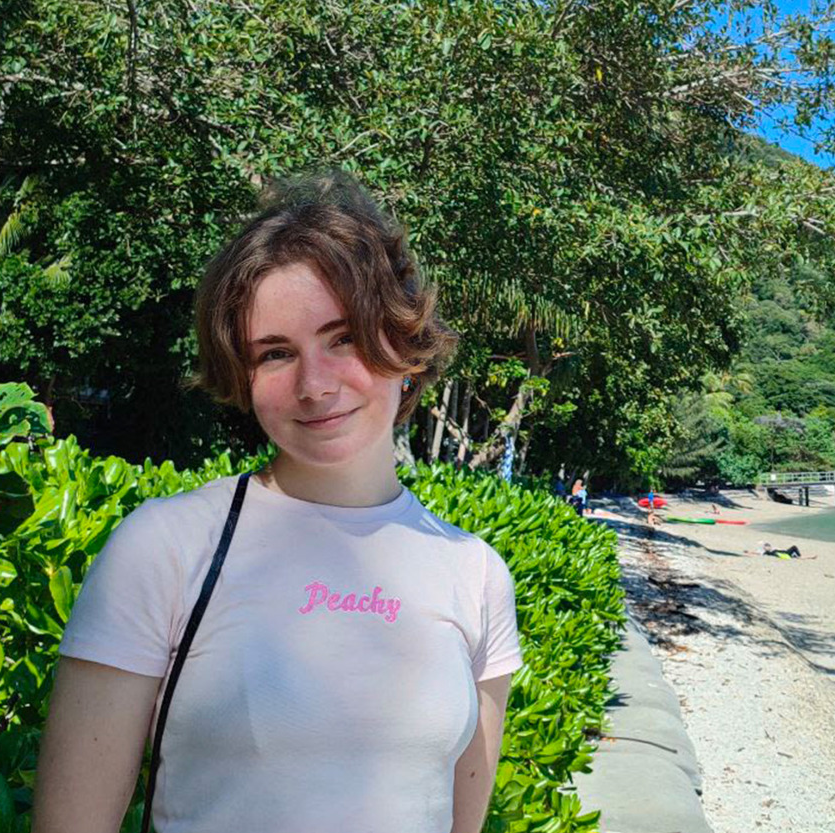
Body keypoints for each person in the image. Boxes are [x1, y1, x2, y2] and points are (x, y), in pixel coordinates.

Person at [33, 171, 523, 833]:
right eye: (275, 353)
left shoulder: (477, 574)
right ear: (242, 372)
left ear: (401, 342)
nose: (314, 385)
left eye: (343, 336)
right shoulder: (165, 548)